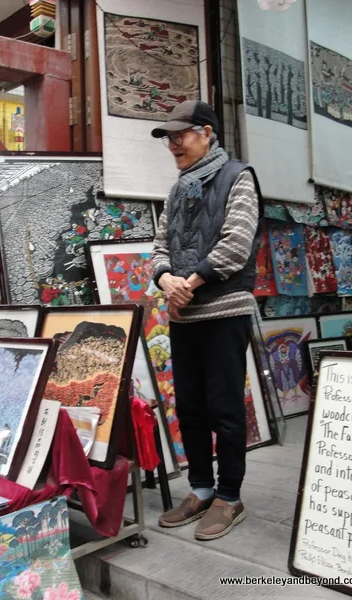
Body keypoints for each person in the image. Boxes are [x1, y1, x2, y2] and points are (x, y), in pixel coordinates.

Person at [151, 100, 263, 541]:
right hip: (184, 314)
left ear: (207, 132)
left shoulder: (239, 177)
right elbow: (160, 247)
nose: (173, 143)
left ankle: (229, 497)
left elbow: (237, 244)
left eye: (181, 134)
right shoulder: (177, 190)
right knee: (190, 407)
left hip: (223, 310)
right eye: (169, 137)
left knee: (225, 406)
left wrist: (188, 283)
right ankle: (200, 489)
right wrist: (166, 281)